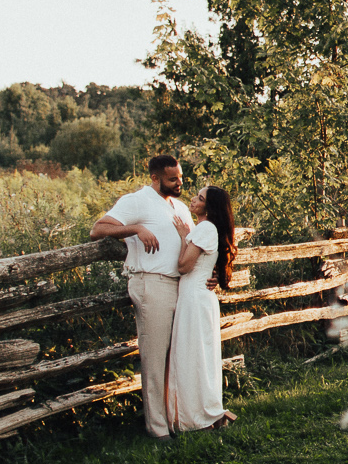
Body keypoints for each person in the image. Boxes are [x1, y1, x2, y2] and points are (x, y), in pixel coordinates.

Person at [90, 155, 191, 439]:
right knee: (155, 358)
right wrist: (135, 228)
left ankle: (177, 419)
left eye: (180, 177)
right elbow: (98, 229)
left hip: (180, 285)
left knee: (177, 356)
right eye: (173, 179)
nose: (179, 183)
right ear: (155, 178)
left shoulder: (181, 207)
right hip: (151, 284)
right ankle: (157, 429)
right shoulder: (137, 201)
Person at [170, 184, 238, 432]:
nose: (193, 200)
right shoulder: (207, 229)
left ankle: (201, 417)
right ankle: (204, 412)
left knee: (193, 357)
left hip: (195, 299)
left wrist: (182, 236)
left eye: (199, 198)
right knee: (198, 357)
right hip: (197, 297)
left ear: (209, 207)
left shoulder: (205, 229)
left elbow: (183, 267)